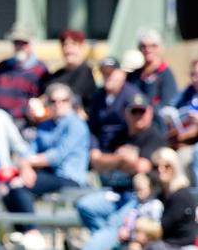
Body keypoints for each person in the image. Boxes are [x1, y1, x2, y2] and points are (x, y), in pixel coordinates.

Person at [1, 83, 90, 249]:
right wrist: (26, 167)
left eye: (63, 100)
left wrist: (27, 163)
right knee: (8, 189)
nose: (59, 104)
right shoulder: (45, 125)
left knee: (19, 187)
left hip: (69, 177)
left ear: (70, 102)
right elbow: (28, 153)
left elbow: (58, 156)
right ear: (48, 103)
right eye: (54, 101)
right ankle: (24, 234)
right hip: (47, 175)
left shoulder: (76, 124)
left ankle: (33, 234)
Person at [77, 93, 166, 250]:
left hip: (138, 197)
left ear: (150, 112)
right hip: (115, 192)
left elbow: (142, 166)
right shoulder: (120, 135)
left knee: (111, 226)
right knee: (85, 206)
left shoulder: (154, 137)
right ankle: (112, 242)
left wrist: (115, 161)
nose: (138, 116)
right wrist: (122, 160)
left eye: (142, 111)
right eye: (134, 112)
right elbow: (97, 161)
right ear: (126, 113)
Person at [0, 23, 50, 126]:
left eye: (24, 43)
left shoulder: (40, 69)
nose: (20, 46)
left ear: (31, 44)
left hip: (21, 121)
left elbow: (43, 99)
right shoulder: (2, 65)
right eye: (17, 42)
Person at [146, 147, 198, 250]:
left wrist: (138, 229)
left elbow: (161, 228)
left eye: (166, 166)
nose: (161, 170)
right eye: (157, 167)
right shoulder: (160, 195)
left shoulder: (181, 195)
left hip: (180, 246)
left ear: (175, 167)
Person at [42, 29, 97, 111]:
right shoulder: (57, 74)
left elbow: (72, 99)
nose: (68, 49)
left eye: (73, 44)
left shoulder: (85, 72)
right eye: (64, 44)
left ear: (82, 47)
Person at [127, 29, 178, 109]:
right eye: (143, 46)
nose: (148, 49)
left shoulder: (165, 74)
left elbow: (168, 104)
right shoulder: (134, 76)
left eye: (153, 46)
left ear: (160, 48)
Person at [118, 173, 164, 249]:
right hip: (132, 239)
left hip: (147, 241)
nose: (138, 193)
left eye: (141, 190)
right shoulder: (137, 205)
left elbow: (155, 226)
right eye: (136, 190)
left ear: (151, 188)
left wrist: (141, 233)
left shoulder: (155, 205)